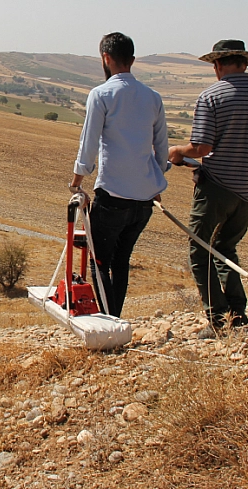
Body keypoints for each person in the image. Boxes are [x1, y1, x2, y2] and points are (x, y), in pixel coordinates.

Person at [168, 39, 248, 338]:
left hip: (216, 189)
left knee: (200, 252)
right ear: (245, 64)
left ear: (217, 65)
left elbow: (202, 147)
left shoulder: (212, 96)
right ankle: (237, 313)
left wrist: (177, 151)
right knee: (225, 248)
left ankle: (218, 319)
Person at [69, 32, 169, 319]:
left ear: (105, 58)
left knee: (99, 263)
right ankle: (115, 317)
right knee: (121, 261)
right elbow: (160, 148)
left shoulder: (101, 95)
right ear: (132, 60)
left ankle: (109, 322)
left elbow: (88, 144)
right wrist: (156, 181)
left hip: (112, 197)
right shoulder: (153, 97)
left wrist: (77, 180)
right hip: (143, 203)